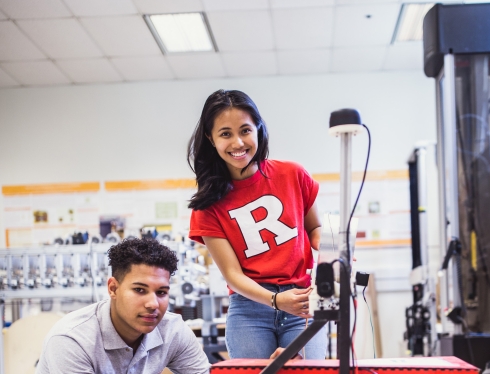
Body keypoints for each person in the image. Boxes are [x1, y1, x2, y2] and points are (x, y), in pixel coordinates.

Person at [188, 89, 327, 359]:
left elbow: (315, 230)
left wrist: (331, 257)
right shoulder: (207, 205)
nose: (238, 142)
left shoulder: (292, 174)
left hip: (301, 300)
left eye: (245, 130)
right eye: (225, 133)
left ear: (258, 129)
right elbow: (232, 275)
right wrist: (275, 300)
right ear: (210, 138)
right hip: (249, 311)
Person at [35, 238, 210, 374]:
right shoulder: (73, 340)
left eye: (161, 292)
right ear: (113, 288)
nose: (153, 304)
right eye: (140, 290)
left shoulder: (173, 331)